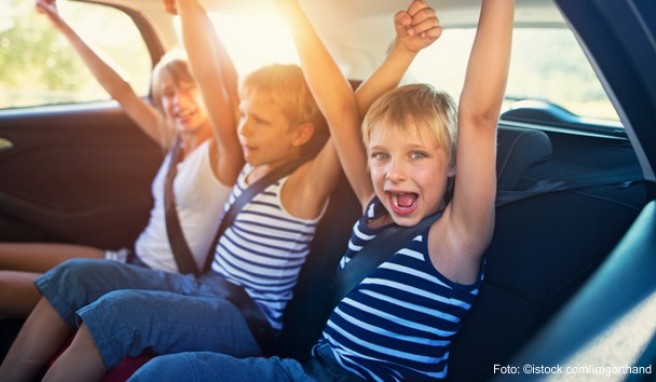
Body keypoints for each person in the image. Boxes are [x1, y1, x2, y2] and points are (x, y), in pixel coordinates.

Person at [0, 0, 434, 380]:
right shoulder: (248, 165)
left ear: (302, 133)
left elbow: (347, 113)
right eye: (242, 115)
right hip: (200, 287)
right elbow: (212, 75)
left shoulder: (303, 185)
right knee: (75, 275)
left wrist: (401, 53)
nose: (243, 129)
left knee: (115, 313)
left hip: (242, 318)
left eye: (259, 121)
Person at [126, 0, 514, 380]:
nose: (394, 173)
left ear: (452, 165)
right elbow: (340, 110)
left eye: (416, 155)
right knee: (165, 371)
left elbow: (479, 115)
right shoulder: (373, 211)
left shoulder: (458, 237)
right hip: (308, 370)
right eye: (380, 155)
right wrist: (290, 9)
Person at [0, 0, 242, 319]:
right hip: (126, 260)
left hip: (156, 282)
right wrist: (64, 26)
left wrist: (188, 8)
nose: (177, 101)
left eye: (188, 88)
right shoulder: (174, 142)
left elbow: (211, 76)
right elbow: (122, 92)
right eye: (167, 93)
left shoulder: (222, 151)